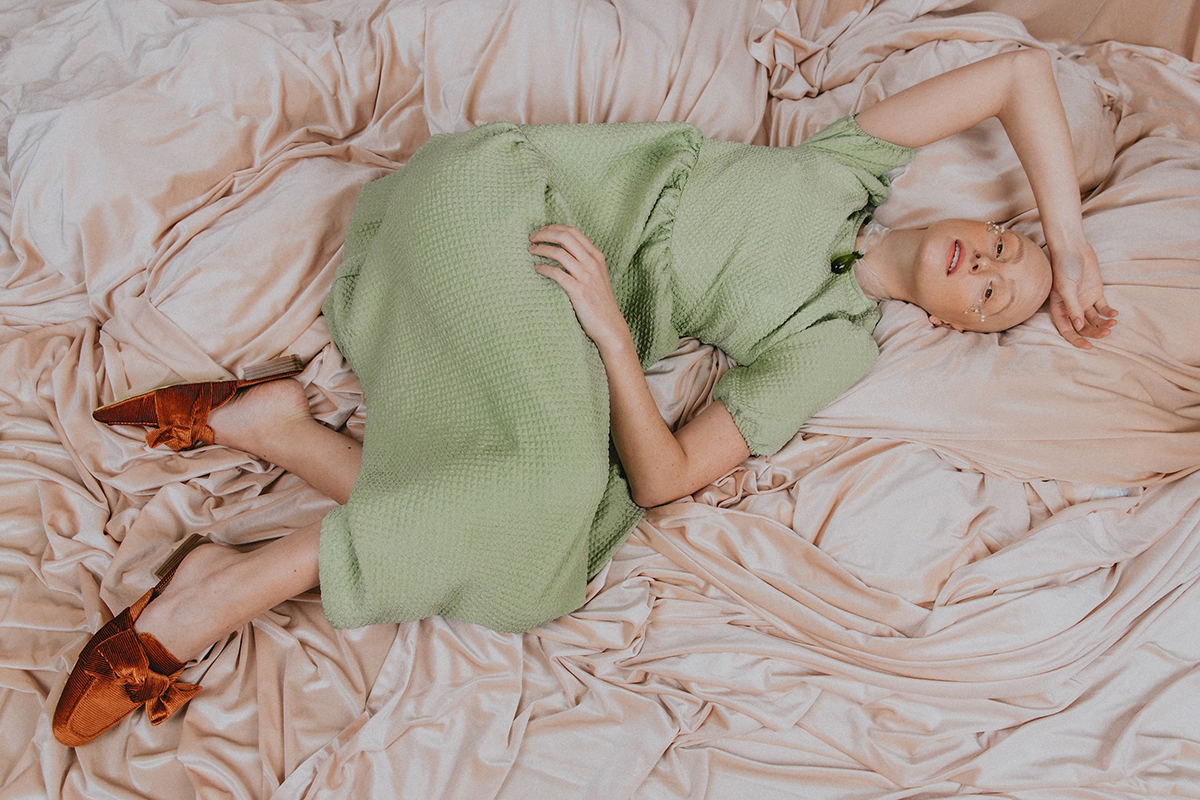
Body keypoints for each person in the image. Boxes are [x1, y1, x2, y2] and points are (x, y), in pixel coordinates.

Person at [54, 48, 1116, 746]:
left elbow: (662, 478)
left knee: (548, 564)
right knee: (551, 493)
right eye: (1005, 246)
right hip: (497, 202)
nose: (990, 263)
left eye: (994, 294)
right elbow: (1020, 73)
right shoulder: (848, 167)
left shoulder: (832, 344)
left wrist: (613, 334)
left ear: (950, 326)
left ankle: (271, 426)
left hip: (550, 312)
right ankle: (218, 589)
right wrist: (1067, 252)